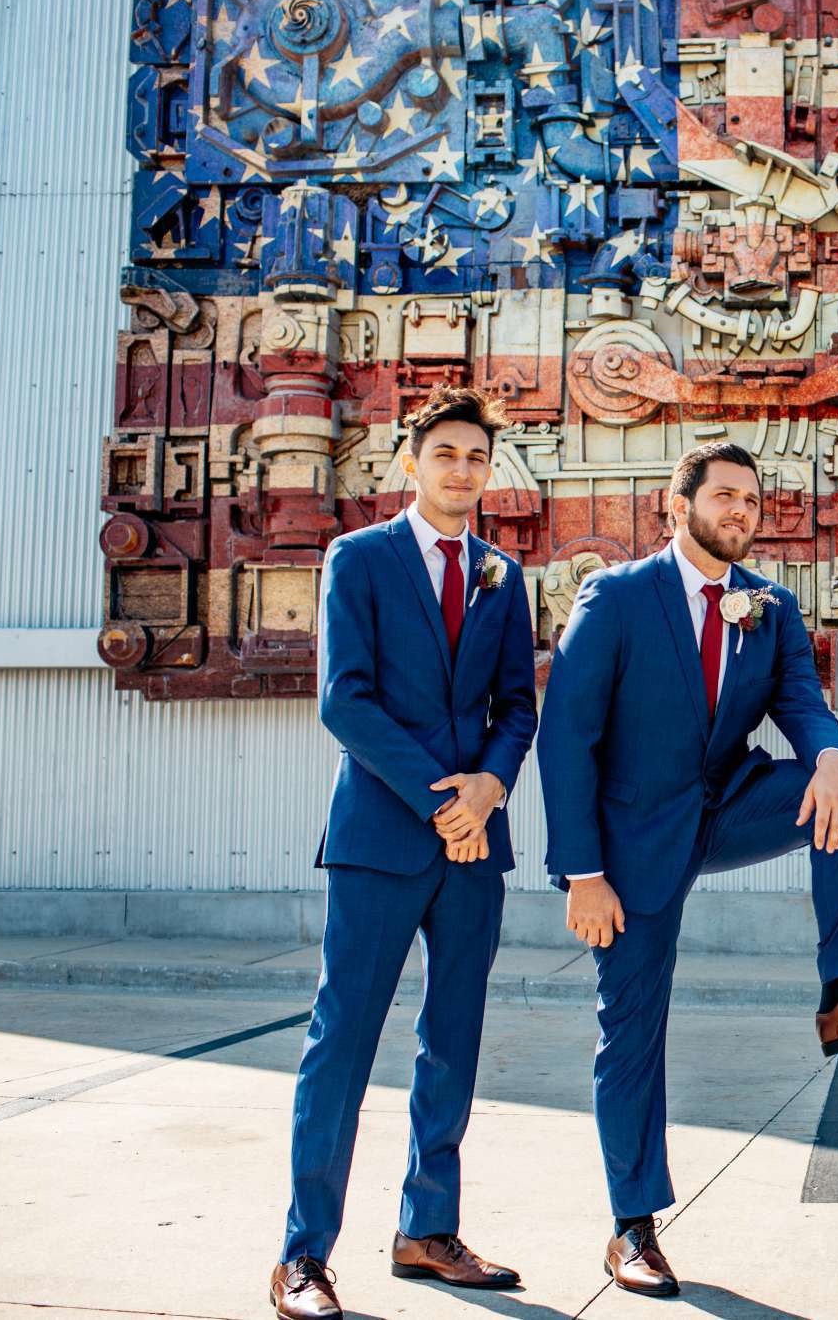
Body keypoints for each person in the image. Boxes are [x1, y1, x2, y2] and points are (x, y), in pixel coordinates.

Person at [536, 441, 838, 1297]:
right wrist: (581, 871)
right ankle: (633, 1226)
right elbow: (565, 735)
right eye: (725, 497)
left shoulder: (770, 605)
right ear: (678, 507)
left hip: (729, 804)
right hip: (632, 841)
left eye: (753, 501)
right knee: (632, 1030)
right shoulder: (617, 595)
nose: (742, 512)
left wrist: (828, 752)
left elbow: (798, 699)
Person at [272, 386, 539, 1320]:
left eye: (476, 455)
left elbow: (518, 708)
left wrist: (491, 787)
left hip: (477, 849)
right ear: (410, 463)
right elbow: (344, 700)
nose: (463, 469)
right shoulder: (358, 559)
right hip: (384, 839)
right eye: (447, 453)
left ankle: (428, 1229)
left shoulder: (506, 575)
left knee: (452, 1041)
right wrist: (444, 799)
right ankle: (303, 1255)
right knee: (341, 1041)